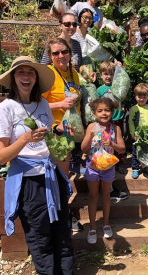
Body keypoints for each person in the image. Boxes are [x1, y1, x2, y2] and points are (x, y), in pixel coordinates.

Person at [0, 56, 73, 274]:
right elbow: (2, 156)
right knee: (40, 238)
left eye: (30, 72)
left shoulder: (42, 103)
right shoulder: (6, 108)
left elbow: (49, 134)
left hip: (52, 176)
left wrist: (60, 131)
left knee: (62, 231)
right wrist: (24, 139)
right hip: (28, 181)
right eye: (21, 72)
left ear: (36, 78)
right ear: (13, 78)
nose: (26, 76)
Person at [42, 37, 84, 232]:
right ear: (50, 57)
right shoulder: (48, 74)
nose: (61, 56)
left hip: (70, 133)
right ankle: (62, 217)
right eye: (55, 53)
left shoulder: (74, 74)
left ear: (69, 53)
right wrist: (59, 104)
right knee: (59, 177)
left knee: (64, 176)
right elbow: (35, 105)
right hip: (55, 133)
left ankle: (61, 216)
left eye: (64, 52)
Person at [81, 97, 125, 243]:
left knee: (106, 196)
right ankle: (92, 226)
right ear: (94, 113)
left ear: (112, 112)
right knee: (93, 196)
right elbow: (83, 148)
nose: (104, 113)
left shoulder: (115, 128)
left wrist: (111, 143)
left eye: (107, 110)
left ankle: (105, 223)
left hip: (108, 167)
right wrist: (91, 135)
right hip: (92, 167)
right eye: (100, 111)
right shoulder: (91, 127)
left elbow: (123, 148)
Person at [97, 61, 126, 175]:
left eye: (111, 74)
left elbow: (125, 81)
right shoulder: (99, 90)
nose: (108, 76)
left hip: (117, 118)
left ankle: (119, 163)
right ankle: (108, 161)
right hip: (105, 122)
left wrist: (120, 68)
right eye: (105, 74)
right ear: (101, 75)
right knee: (107, 142)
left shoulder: (118, 86)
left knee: (118, 141)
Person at [129, 83, 148, 179]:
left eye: (144, 97)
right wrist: (133, 133)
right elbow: (131, 122)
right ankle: (135, 169)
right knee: (135, 153)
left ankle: (146, 167)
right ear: (135, 96)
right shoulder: (133, 109)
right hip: (137, 136)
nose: (141, 99)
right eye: (139, 97)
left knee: (147, 152)